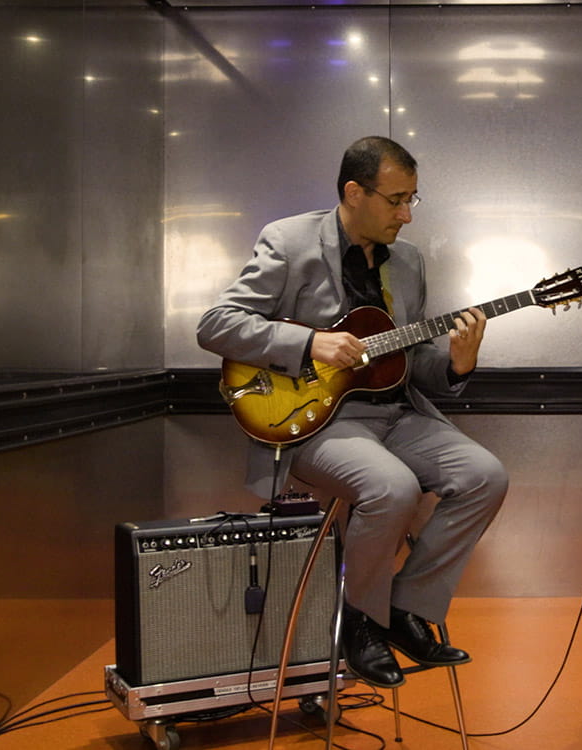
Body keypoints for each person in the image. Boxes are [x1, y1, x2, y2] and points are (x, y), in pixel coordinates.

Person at [196, 136, 508, 688]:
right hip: (317, 422)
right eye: (396, 200)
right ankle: (359, 621)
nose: (407, 215)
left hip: (399, 417)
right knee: (393, 487)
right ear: (354, 192)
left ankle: (404, 609)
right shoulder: (289, 241)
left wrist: (458, 364)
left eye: (412, 199)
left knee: (486, 475)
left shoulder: (407, 262)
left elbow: (412, 360)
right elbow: (217, 325)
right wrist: (308, 342)